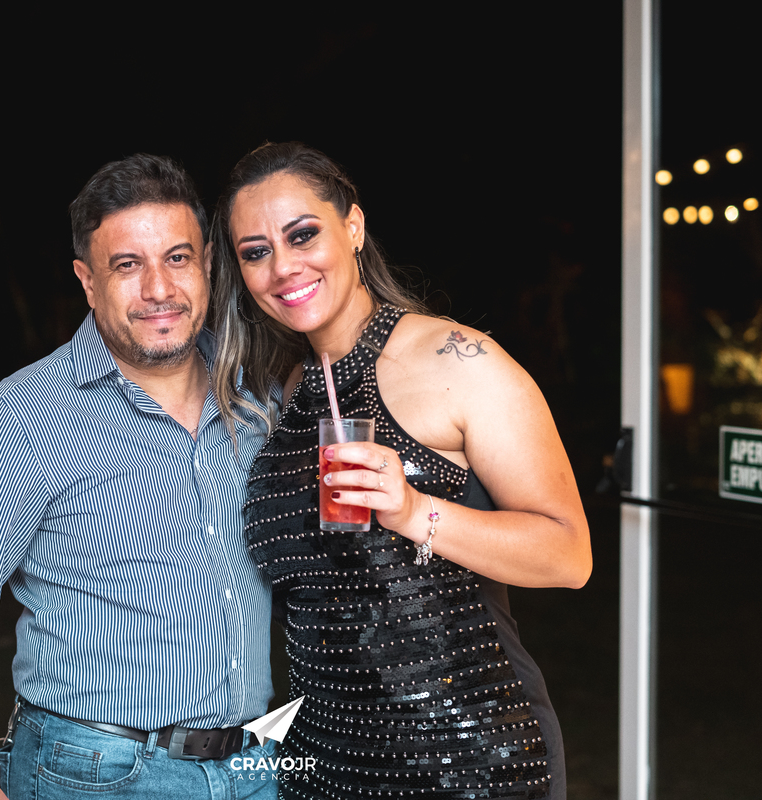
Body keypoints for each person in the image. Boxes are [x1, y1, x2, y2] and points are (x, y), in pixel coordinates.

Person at [209, 142, 592, 800]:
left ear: (353, 227)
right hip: (324, 767)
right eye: (255, 251)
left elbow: (569, 555)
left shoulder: (459, 362)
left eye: (303, 235)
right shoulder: (290, 391)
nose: (283, 266)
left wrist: (414, 511)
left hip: (471, 763)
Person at [0, 154, 279, 800]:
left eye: (178, 258)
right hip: (95, 774)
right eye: (127, 265)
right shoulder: (22, 417)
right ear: (88, 281)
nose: (159, 288)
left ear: (209, 264)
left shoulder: (258, 397)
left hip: (254, 767)